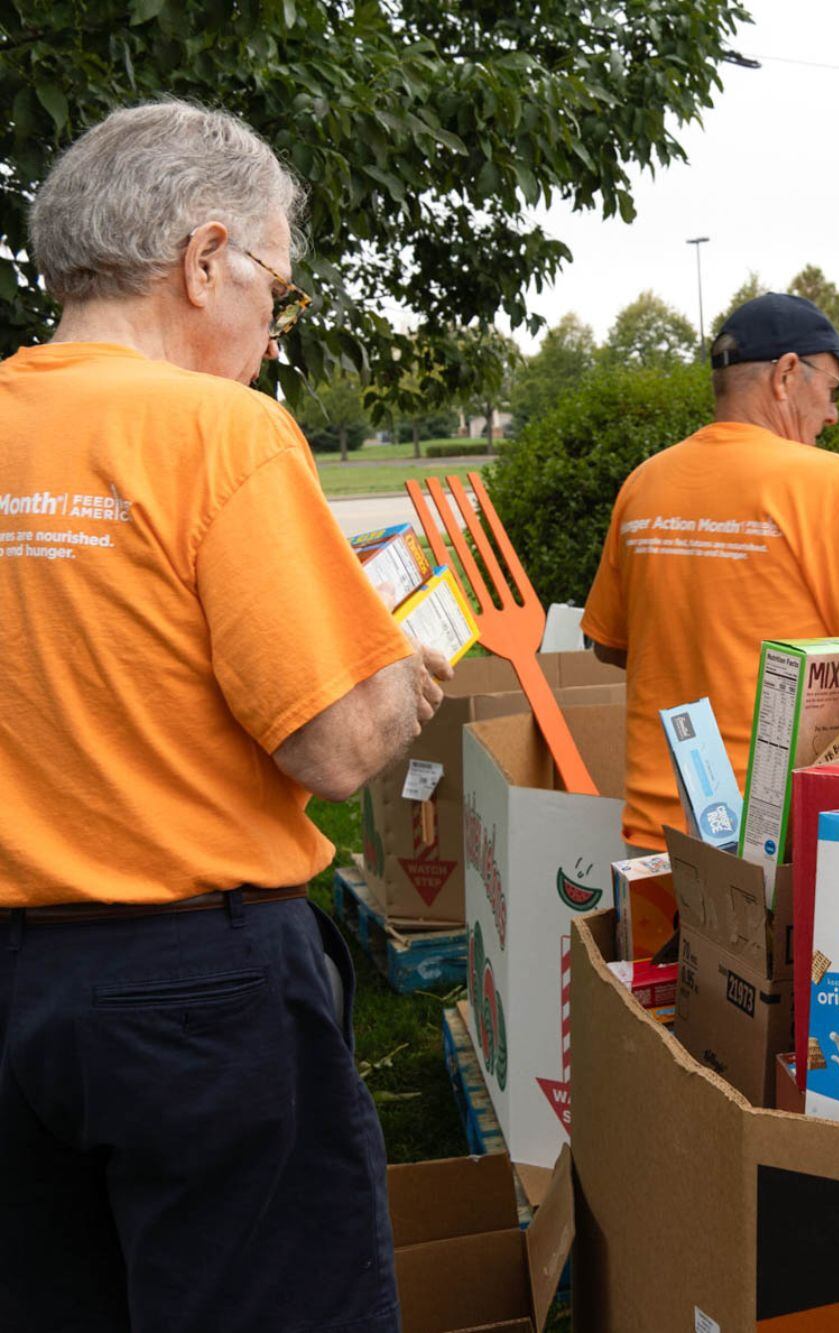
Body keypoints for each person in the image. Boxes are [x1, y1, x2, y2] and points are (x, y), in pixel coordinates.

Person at [0, 103, 446, 1331]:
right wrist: (402, 667)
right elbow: (334, 740)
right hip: (193, 994)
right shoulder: (218, 430)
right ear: (204, 261)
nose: (268, 326)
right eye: (275, 287)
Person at [583, 293, 839, 853]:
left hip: (655, 834)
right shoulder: (827, 482)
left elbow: (610, 644)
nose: (833, 413)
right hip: (776, 839)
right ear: (788, 373)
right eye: (835, 389)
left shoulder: (643, 484)